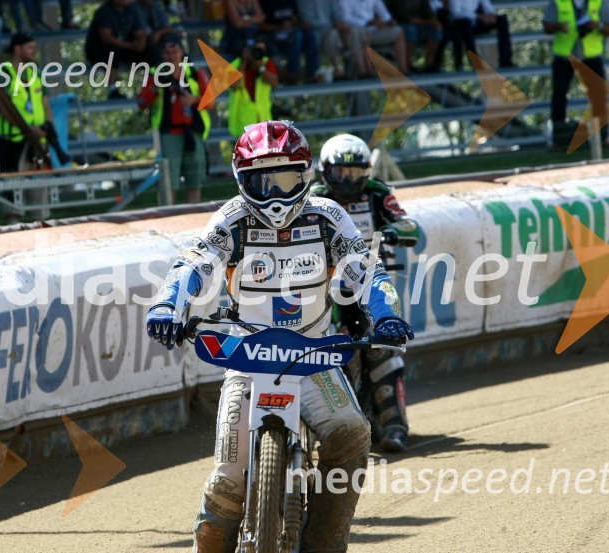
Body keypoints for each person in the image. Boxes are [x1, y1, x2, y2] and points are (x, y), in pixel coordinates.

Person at [145, 120, 414, 552]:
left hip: (312, 353)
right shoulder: (231, 218)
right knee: (227, 483)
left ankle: (324, 544)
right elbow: (194, 263)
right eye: (260, 181)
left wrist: (386, 314)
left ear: (306, 175)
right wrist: (166, 306)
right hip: (246, 357)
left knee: (350, 432)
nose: (273, 194)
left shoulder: (329, 217)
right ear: (240, 179)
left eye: (286, 178)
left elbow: (366, 270)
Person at [311, 133, 420, 453]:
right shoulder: (313, 199)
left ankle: (395, 424)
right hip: (326, 290)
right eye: (341, 173)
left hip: (370, 284)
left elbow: (409, 225)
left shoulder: (377, 193)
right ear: (325, 171)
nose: (347, 180)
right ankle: (331, 428)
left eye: (355, 172)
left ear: (367, 172)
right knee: (329, 347)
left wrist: (391, 230)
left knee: (383, 346)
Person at [137, 33, 210, 204]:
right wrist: (154, 87)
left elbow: (211, 102)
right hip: (168, 134)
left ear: (182, 52)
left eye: (175, 51)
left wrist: (194, 99)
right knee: (169, 182)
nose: (172, 56)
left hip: (193, 132)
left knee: (195, 180)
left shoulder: (194, 72)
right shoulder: (154, 74)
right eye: (167, 53)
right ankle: (169, 216)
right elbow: (141, 103)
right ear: (162, 55)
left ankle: (194, 216)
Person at [0, 31, 54, 219]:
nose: (33, 51)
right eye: (30, 47)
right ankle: (13, 225)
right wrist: (28, 129)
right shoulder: (4, 71)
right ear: (17, 48)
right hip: (13, 138)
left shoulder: (34, 71)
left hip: (37, 137)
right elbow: (3, 107)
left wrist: (48, 126)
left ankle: (41, 221)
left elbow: (44, 102)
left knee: (39, 182)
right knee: (13, 183)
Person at [543, 0, 609, 149]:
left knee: (598, 96)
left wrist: (597, 26)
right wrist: (558, 26)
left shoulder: (599, 2)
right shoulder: (558, 2)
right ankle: (559, 139)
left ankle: (602, 138)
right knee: (559, 95)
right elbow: (547, 26)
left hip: (591, 55)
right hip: (564, 56)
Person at [85, 0, 148, 99]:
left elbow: (140, 31)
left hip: (123, 48)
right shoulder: (104, 11)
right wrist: (131, 46)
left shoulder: (132, 11)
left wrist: (141, 44)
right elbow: (106, 38)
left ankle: (153, 86)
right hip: (99, 50)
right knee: (112, 50)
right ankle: (112, 89)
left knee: (150, 51)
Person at [336, 0, 409, 76]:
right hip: (354, 32)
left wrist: (388, 21)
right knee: (358, 33)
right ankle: (363, 71)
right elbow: (345, 18)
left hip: (373, 31)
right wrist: (368, 22)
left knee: (398, 31)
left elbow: (385, 14)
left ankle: (403, 68)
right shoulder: (344, 1)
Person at [258, 0, 319, 83]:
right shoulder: (266, 2)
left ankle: (312, 73)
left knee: (311, 36)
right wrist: (280, 26)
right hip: (273, 35)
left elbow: (296, 19)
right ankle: (294, 73)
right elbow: (261, 26)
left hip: (291, 33)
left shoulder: (291, 2)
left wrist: (297, 23)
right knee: (298, 35)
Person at [227, 40, 277, 138]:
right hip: (243, 123)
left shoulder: (266, 62)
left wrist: (260, 68)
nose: (258, 53)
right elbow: (234, 86)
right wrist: (244, 62)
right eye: (256, 50)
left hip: (263, 121)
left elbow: (274, 82)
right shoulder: (235, 65)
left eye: (262, 50)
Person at [449, 0, 513, 69]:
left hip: (475, 23)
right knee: (465, 24)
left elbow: (487, 5)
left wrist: (490, 15)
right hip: (459, 25)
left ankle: (506, 61)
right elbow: (455, 14)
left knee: (502, 20)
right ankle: (475, 62)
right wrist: (478, 16)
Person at [384, 0, 443, 72]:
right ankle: (409, 64)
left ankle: (429, 64)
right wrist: (427, 22)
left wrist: (434, 22)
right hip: (401, 25)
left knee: (436, 29)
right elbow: (405, 18)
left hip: (419, 25)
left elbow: (428, 14)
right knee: (410, 30)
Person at [296, 0, 345, 80]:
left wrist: (336, 24)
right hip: (311, 30)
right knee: (314, 37)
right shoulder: (302, 2)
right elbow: (306, 19)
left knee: (333, 34)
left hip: (328, 28)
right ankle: (313, 73)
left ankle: (337, 70)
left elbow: (336, 15)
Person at [132, 0, 174, 66]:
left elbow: (167, 26)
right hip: (143, 45)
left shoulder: (156, 5)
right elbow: (142, 30)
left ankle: (186, 71)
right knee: (156, 50)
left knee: (174, 41)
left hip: (158, 40)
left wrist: (159, 33)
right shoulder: (134, 7)